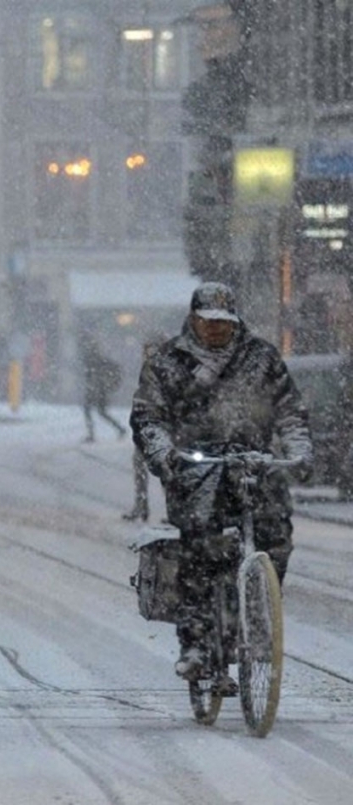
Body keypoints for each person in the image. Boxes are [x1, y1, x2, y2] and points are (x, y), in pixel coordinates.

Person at [130, 282, 312, 682]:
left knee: (275, 537)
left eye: (223, 323)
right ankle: (196, 643)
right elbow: (148, 418)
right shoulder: (168, 362)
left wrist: (298, 452)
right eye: (208, 322)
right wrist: (166, 456)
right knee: (200, 553)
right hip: (197, 471)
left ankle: (260, 613)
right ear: (193, 319)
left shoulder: (261, 357)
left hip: (255, 468)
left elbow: (290, 412)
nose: (216, 329)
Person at [123, 335, 167, 522]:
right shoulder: (148, 370)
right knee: (140, 466)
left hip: (164, 428)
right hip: (147, 425)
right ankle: (141, 506)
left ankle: (171, 510)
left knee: (167, 470)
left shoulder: (169, 371)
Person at [78, 332, 126, 442]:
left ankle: (93, 434)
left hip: (97, 389)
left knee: (95, 411)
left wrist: (102, 383)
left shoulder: (95, 359)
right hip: (97, 389)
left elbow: (94, 373)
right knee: (99, 411)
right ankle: (119, 429)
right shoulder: (96, 358)